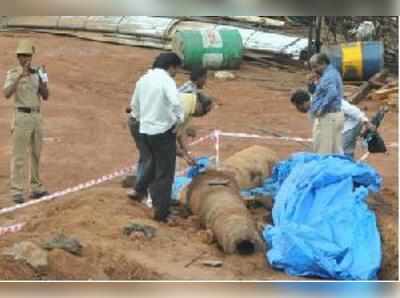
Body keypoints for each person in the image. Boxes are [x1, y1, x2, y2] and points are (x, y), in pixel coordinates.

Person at [130, 52, 184, 223]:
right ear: (171, 67)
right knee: (165, 173)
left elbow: (134, 106)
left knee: (152, 162)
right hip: (162, 131)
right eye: (176, 69)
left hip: (144, 129)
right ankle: (161, 212)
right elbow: (175, 102)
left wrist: (141, 119)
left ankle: (138, 190)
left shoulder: (143, 80)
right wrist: (179, 119)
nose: (176, 73)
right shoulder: (167, 81)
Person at [3, 39, 49, 204]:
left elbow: (46, 96)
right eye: (21, 55)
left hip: (36, 116)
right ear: (18, 57)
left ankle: (36, 187)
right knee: (19, 155)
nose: (24, 58)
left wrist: (43, 79)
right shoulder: (13, 73)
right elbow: (6, 93)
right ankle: (17, 191)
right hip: (21, 116)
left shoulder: (38, 74)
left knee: (36, 153)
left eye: (27, 55)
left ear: (31, 56)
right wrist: (18, 77)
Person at [290, 89, 374, 159]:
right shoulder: (312, 109)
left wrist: (366, 121)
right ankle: (349, 171)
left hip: (349, 125)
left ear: (304, 103)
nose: (298, 109)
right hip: (343, 126)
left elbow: (350, 109)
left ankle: (344, 172)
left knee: (338, 153)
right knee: (345, 151)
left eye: (297, 106)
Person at [308, 53, 345, 154]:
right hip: (334, 116)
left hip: (328, 117)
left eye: (315, 67)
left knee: (323, 152)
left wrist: (322, 108)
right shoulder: (332, 73)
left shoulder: (328, 76)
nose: (314, 70)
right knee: (336, 152)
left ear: (323, 64)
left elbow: (332, 93)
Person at [176, 92, 213, 166]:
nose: (203, 115)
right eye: (204, 111)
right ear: (199, 104)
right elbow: (167, 140)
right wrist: (184, 156)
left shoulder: (190, 107)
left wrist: (188, 154)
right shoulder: (183, 109)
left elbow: (180, 133)